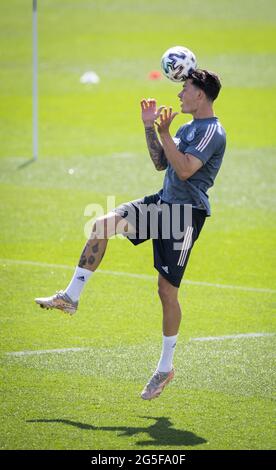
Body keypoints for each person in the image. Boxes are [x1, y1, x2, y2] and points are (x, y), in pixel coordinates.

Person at [35, 69, 226, 401]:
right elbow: (160, 164)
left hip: (183, 216)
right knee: (100, 225)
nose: (180, 94)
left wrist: (165, 132)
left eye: (185, 88)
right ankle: (71, 296)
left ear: (201, 95)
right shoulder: (185, 127)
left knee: (166, 292)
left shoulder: (213, 132)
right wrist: (150, 127)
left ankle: (165, 367)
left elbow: (184, 169)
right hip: (162, 202)